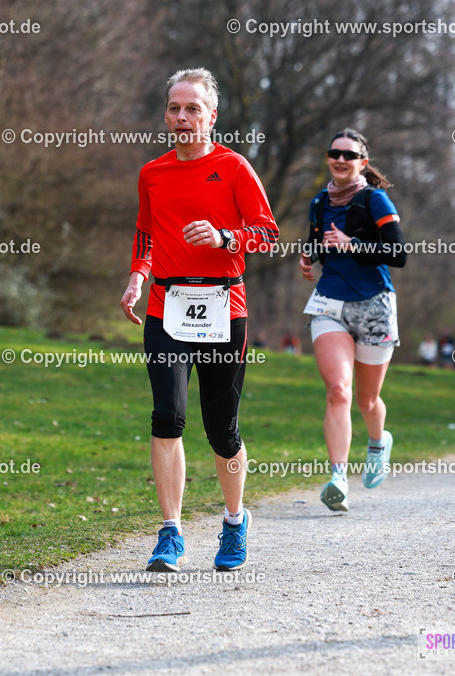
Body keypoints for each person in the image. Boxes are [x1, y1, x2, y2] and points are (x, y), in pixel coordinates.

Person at [120, 68, 279, 571]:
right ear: (166, 114)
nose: (182, 117)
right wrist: (137, 276)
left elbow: (268, 236)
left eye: (193, 108)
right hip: (166, 307)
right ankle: (170, 532)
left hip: (222, 308)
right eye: (174, 108)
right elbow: (146, 234)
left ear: (212, 116)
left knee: (222, 429)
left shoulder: (234, 168)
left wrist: (224, 237)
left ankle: (234, 522)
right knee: (167, 416)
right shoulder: (152, 173)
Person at [299, 128, 407, 512]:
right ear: (328, 158)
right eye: (335, 153)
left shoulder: (374, 199)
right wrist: (308, 256)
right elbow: (316, 240)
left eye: (350, 155)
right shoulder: (319, 202)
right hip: (330, 303)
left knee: (367, 399)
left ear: (363, 162)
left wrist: (353, 245)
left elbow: (398, 253)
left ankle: (378, 442)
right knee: (338, 391)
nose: (340, 160)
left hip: (375, 306)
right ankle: (338, 477)